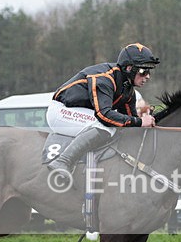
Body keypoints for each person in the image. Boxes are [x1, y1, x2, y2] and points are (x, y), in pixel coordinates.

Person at [45, 43, 159, 188]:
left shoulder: (128, 90)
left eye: (149, 71)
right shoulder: (104, 79)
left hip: (82, 113)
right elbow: (104, 115)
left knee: (116, 127)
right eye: (143, 71)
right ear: (129, 68)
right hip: (61, 112)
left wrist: (146, 123)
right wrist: (140, 122)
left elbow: (130, 125)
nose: (147, 76)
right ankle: (63, 161)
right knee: (106, 126)